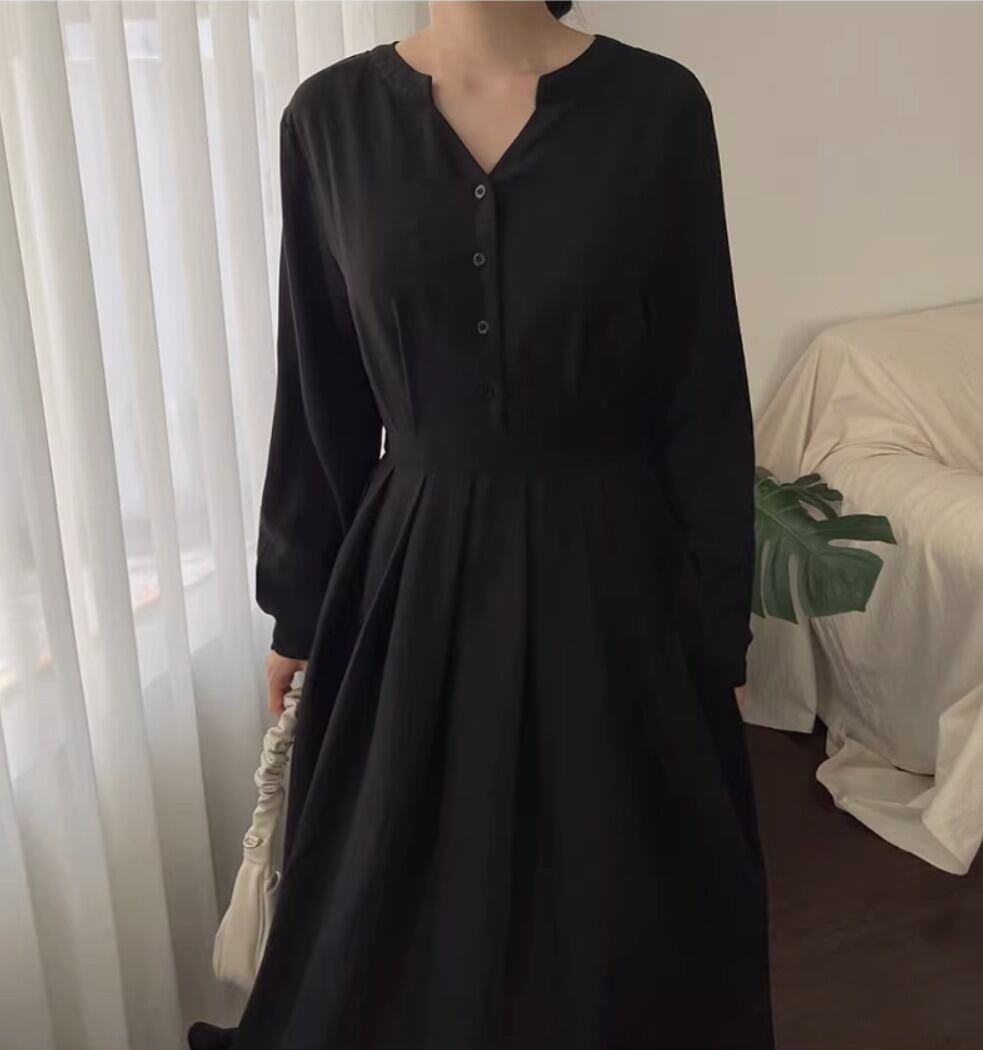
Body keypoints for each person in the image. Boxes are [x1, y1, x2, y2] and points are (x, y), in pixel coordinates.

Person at [189, 2, 774, 1047]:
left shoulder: (657, 109)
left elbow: (700, 390)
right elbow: (320, 388)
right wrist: (299, 611)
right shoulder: (328, 119)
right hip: (411, 588)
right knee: (388, 919)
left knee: (619, 913)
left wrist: (718, 621)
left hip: (615, 587)